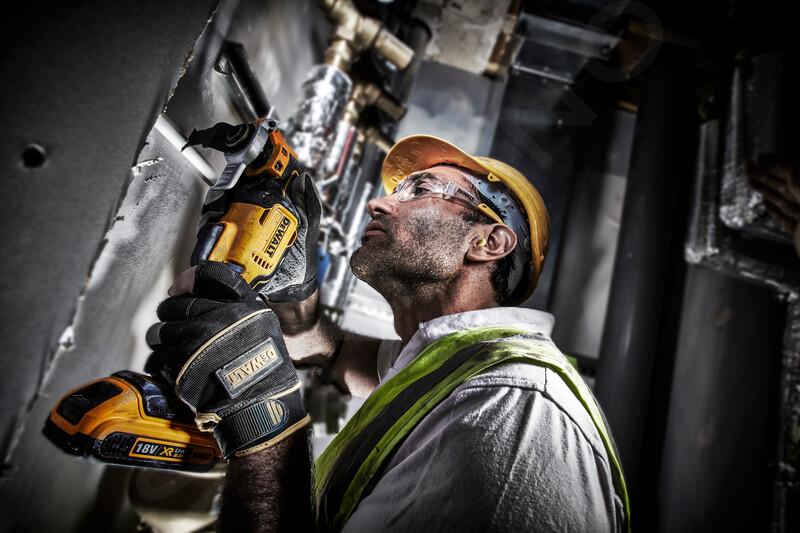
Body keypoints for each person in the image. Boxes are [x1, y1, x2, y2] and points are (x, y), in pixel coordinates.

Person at [146, 135, 629, 532]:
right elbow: (337, 354)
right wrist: (297, 297)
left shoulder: (516, 418)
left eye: (421, 189)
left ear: (488, 242)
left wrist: (259, 416)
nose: (379, 202)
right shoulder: (459, 366)